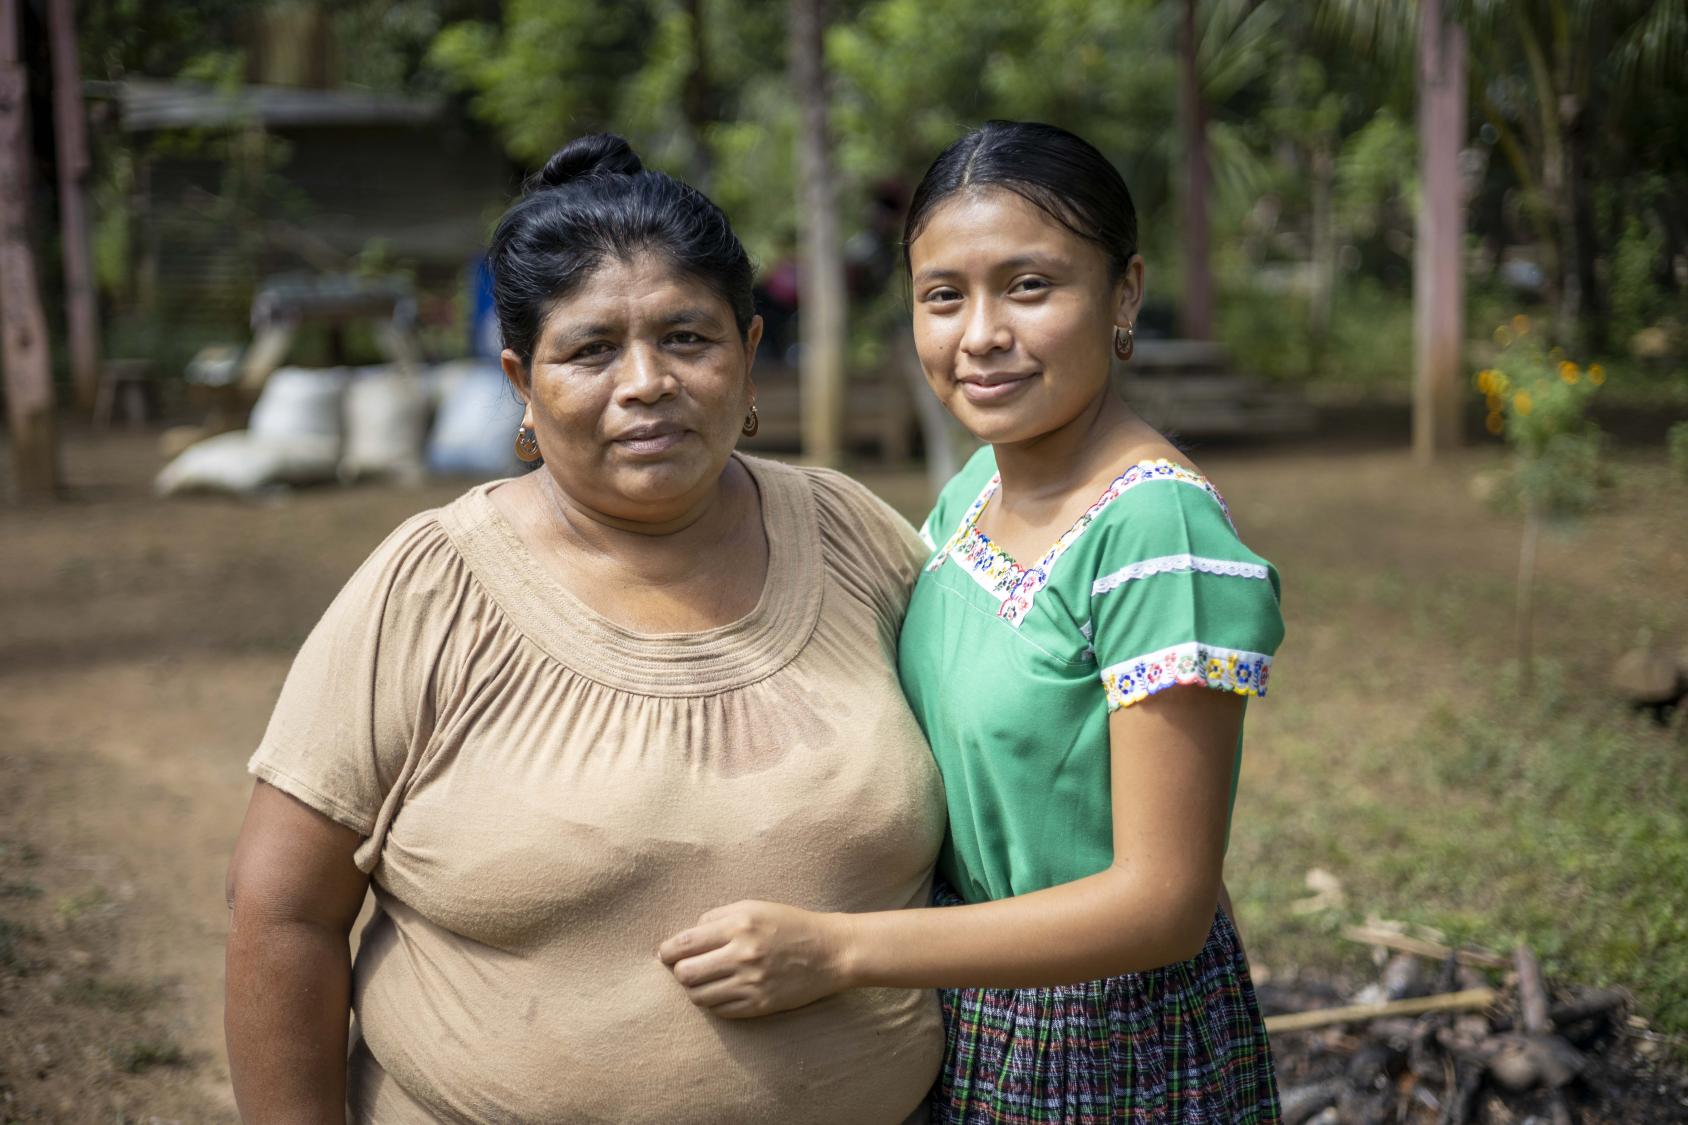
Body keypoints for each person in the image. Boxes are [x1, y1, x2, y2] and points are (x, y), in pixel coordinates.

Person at [223, 133, 946, 1123]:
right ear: (523, 381)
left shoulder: (856, 539)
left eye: (685, 339)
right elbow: (284, 915)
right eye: (592, 349)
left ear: (746, 354)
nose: (644, 381)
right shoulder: (432, 589)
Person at [660, 120, 1285, 1122]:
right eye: (942, 296)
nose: (978, 333)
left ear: (1123, 293)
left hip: (1101, 1042)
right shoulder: (971, 494)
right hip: (963, 1008)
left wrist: (839, 949)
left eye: (1028, 287)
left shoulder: (1156, 533)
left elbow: (1162, 904)